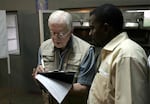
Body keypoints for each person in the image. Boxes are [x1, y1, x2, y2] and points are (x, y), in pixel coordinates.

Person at [87, 4, 149, 104]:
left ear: (106, 28)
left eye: (92, 28)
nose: (90, 33)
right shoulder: (112, 52)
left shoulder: (126, 55)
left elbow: (130, 100)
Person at [32, 10, 96, 104]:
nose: (56, 38)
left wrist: (56, 87)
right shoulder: (44, 47)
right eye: (53, 33)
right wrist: (38, 77)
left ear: (71, 31)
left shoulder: (86, 51)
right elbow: (41, 83)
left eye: (61, 34)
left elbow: (85, 88)